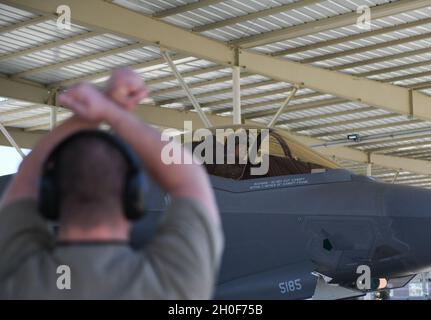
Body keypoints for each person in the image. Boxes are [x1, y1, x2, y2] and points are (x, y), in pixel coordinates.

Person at [0, 68, 224, 299]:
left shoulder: (17, 279)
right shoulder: (173, 285)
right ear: (133, 197)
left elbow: (25, 177)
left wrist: (100, 109)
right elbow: (190, 178)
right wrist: (110, 110)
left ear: (50, 197)